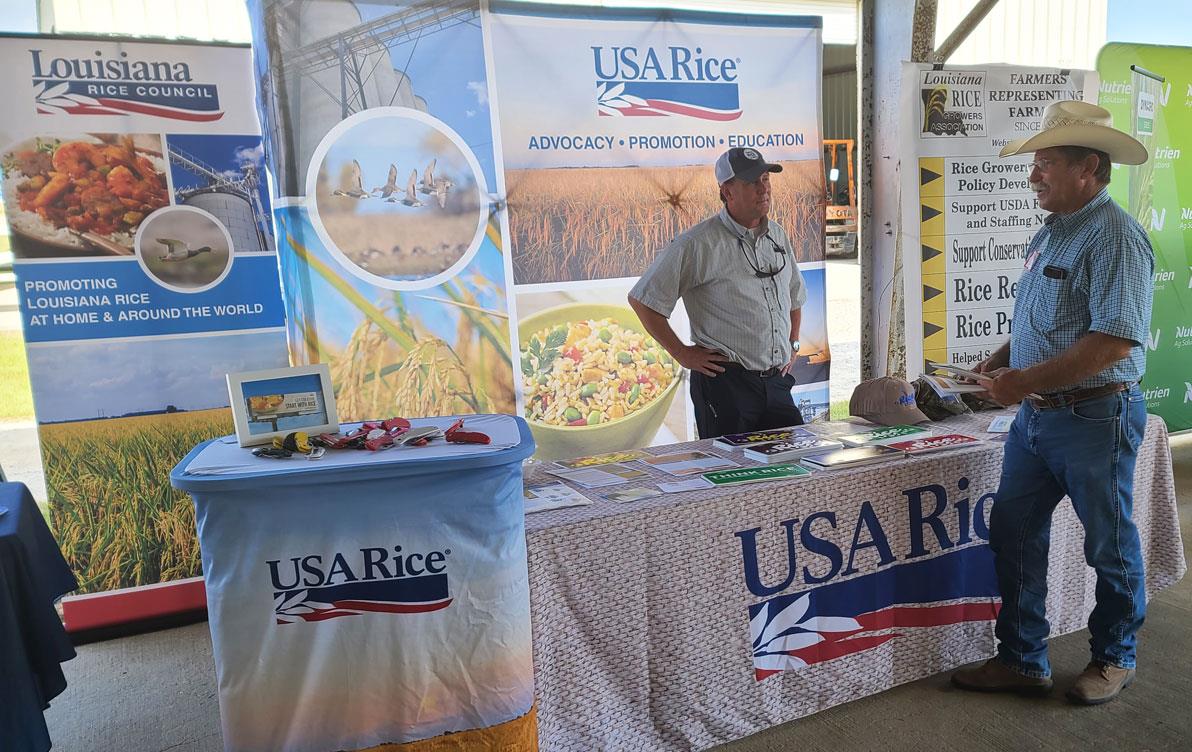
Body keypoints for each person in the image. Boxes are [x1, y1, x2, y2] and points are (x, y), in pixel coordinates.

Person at [951, 101, 1153, 705]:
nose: (1033, 175)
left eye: (1046, 163)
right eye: (1034, 164)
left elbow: (1112, 341)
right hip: (1037, 417)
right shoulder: (1052, 231)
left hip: (1095, 416)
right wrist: (1003, 359)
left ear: (1088, 167)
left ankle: (1115, 657)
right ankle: (1021, 658)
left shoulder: (1115, 237)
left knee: (1108, 545)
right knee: (1012, 532)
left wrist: (1021, 380)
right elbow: (1050, 319)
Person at [628, 147, 808, 438]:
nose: (763, 189)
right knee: (732, 477)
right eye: (751, 183)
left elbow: (794, 294)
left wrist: (794, 343)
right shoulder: (697, 244)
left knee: (794, 469)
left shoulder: (776, 234)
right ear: (727, 192)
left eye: (765, 179)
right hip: (726, 386)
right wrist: (683, 354)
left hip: (776, 383)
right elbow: (643, 300)